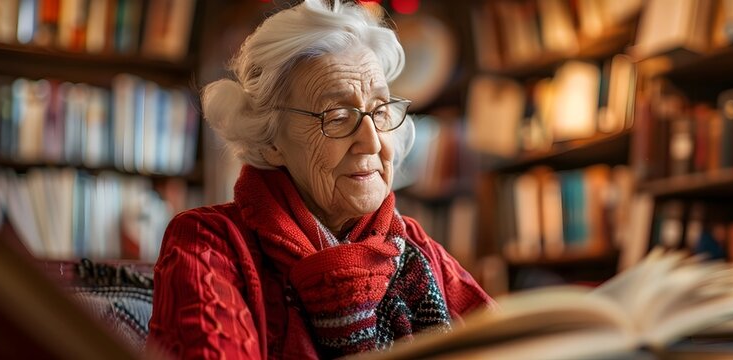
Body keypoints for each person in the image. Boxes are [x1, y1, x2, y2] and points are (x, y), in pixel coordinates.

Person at [146, 0, 494, 358]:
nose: (371, 140)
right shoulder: (209, 244)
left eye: (380, 110)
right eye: (339, 116)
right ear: (271, 138)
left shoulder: (416, 248)